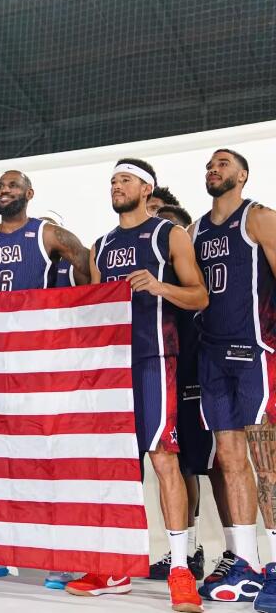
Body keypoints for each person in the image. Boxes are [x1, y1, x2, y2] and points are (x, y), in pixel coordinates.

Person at [66, 160, 208, 612]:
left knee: (164, 459)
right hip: (111, 367)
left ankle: (181, 569)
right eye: (112, 181)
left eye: (124, 179)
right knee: (114, 468)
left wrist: (160, 287)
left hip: (155, 359)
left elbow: (200, 295)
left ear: (146, 188)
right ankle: (115, 567)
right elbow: (92, 308)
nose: (116, 186)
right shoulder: (102, 246)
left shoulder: (169, 234)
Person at [0, 170, 90, 586]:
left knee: (42, 458)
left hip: (36, 361)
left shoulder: (47, 233)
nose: (4, 190)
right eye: (0, 186)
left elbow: (84, 268)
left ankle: (60, 556)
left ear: (29, 193)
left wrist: (76, 308)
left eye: (12, 186)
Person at [190, 149, 276, 610]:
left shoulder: (259, 218)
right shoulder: (195, 231)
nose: (214, 169)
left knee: (268, 463)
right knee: (229, 460)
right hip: (213, 356)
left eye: (223, 164)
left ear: (242, 175)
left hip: (255, 353)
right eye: (210, 165)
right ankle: (246, 562)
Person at [146, 205, 213, 582]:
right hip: (157, 367)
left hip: (190, 368)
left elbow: (201, 301)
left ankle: (195, 549)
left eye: (164, 222)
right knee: (172, 459)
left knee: (195, 462)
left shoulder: (186, 269)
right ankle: (183, 553)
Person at [39, 210, 76, 288]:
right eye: (42, 230)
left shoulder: (73, 265)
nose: (46, 234)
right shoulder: (26, 263)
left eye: (50, 229)